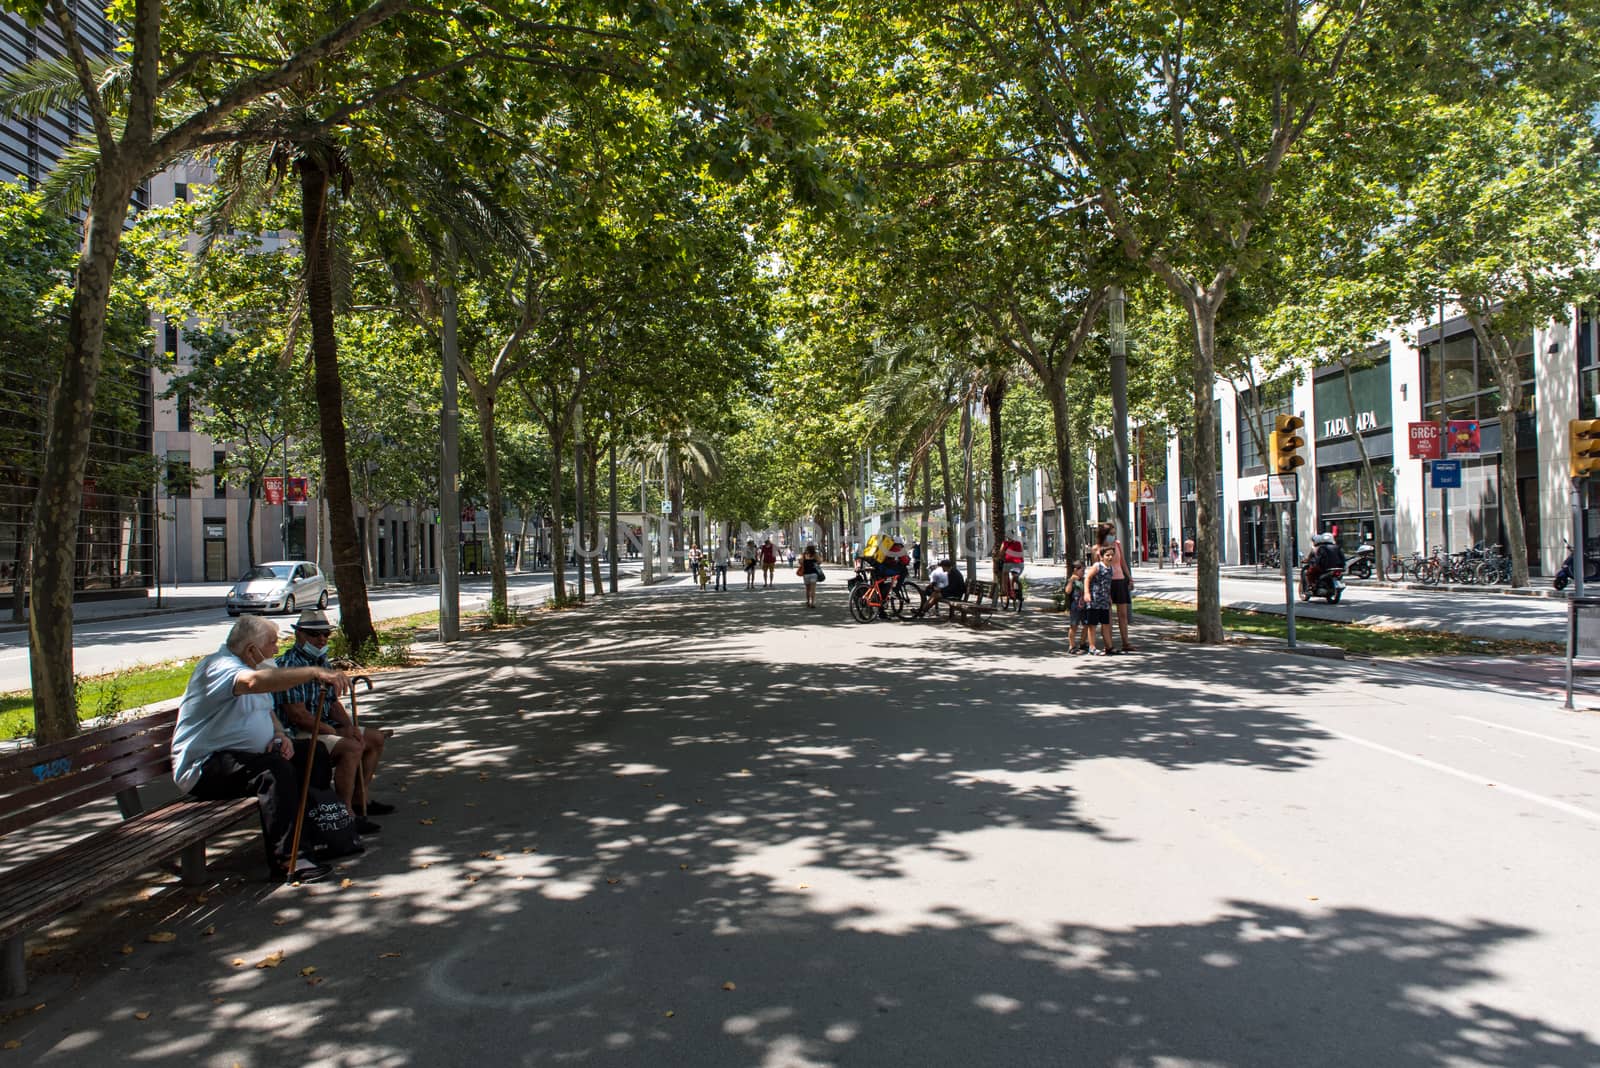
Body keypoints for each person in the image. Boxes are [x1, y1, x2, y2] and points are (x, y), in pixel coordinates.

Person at [171, 615, 351, 884]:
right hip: (204, 767)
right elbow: (254, 682)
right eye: (272, 643)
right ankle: (289, 860)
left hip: (244, 758)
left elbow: (267, 712)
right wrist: (313, 672)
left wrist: (279, 735)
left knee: (313, 754)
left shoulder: (250, 664)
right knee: (273, 771)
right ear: (251, 649)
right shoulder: (220, 667)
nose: (276, 649)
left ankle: (321, 830)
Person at [274, 609, 391, 836]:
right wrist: (336, 733)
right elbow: (298, 715)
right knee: (351, 748)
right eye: (314, 634)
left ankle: (360, 798)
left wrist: (350, 727)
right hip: (299, 732)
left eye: (326, 634)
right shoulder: (289, 666)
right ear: (299, 635)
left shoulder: (322, 662)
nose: (321, 640)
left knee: (373, 738)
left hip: (325, 725)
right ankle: (343, 813)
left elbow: (333, 703)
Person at [1098, 522, 1135, 652]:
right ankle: (1109, 645)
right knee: (1107, 615)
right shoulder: (1098, 548)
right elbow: (1096, 568)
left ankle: (1126, 642)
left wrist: (1129, 577)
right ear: (1104, 534)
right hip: (1106, 583)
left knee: (1123, 614)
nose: (1113, 537)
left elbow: (1122, 562)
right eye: (1110, 534)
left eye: (1114, 534)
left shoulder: (1117, 545)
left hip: (1120, 581)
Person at [1084, 547, 1116, 655]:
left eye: (1112, 555)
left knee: (1105, 624)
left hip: (1104, 600)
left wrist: (1110, 597)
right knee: (1092, 625)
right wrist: (1087, 593)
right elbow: (1087, 578)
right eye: (1107, 555)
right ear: (1101, 557)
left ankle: (1109, 647)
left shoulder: (1111, 568)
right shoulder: (1097, 566)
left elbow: (1108, 585)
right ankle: (1092, 647)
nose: (1110, 557)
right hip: (1094, 600)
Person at [1066, 560, 1089, 654]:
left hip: (1084, 606)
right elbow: (1067, 591)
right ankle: (1072, 646)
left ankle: (1082, 643)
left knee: (1086, 625)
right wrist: (1071, 580)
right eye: (1082, 570)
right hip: (1075, 607)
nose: (1083, 573)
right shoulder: (1072, 579)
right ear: (1075, 570)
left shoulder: (1084, 579)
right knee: (1074, 626)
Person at [1000, 531, 1025, 600]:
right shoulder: (1019, 543)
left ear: (1006, 536)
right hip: (1020, 564)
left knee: (1005, 574)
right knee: (1015, 576)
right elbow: (1021, 552)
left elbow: (1001, 553)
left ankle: (1005, 591)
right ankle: (1019, 592)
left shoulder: (1005, 543)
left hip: (1009, 563)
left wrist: (1001, 558)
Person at [797, 543, 823, 608]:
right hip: (814, 573)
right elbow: (820, 562)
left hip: (806, 574)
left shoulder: (804, 554)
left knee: (807, 589)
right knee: (813, 589)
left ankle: (808, 602)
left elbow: (800, 562)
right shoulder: (815, 554)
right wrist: (815, 563)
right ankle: (813, 603)